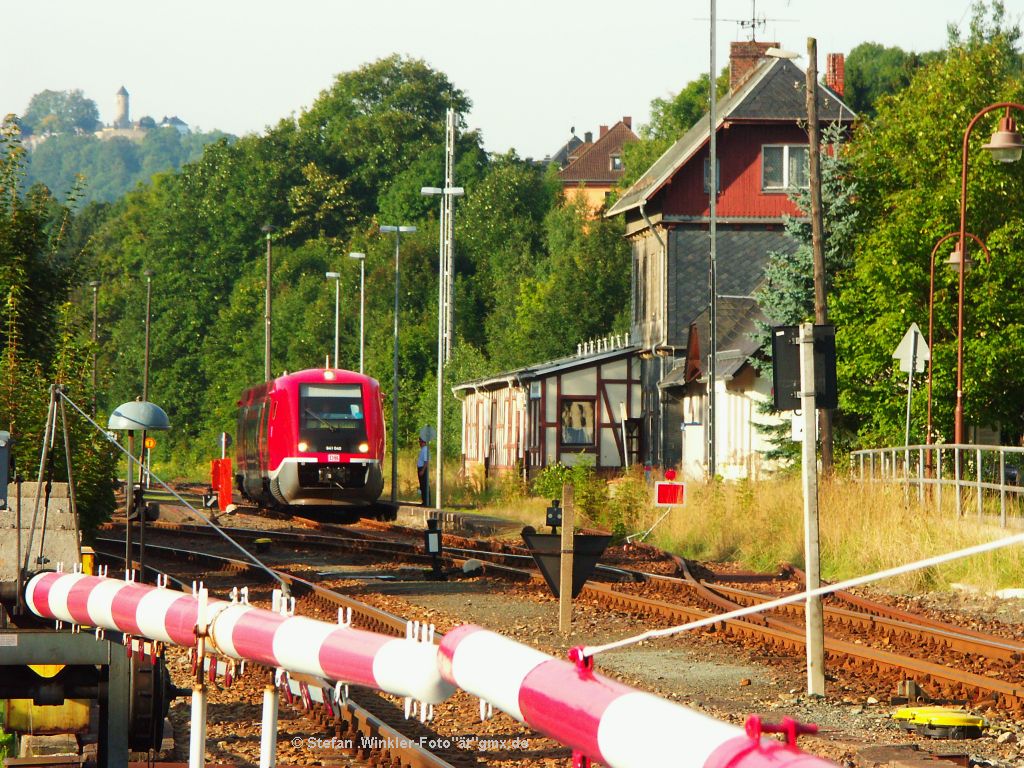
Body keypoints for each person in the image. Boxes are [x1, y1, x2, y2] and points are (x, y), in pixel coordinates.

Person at [416, 437, 430, 506]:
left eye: (420, 442)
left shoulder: (425, 450)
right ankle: (424, 501)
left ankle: (426, 501)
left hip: (423, 469)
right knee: (422, 485)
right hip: (421, 468)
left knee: (424, 485)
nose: (419, 443)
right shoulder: (423, 449)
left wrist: (422, 471)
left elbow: (426, 461)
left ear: (423, 442)